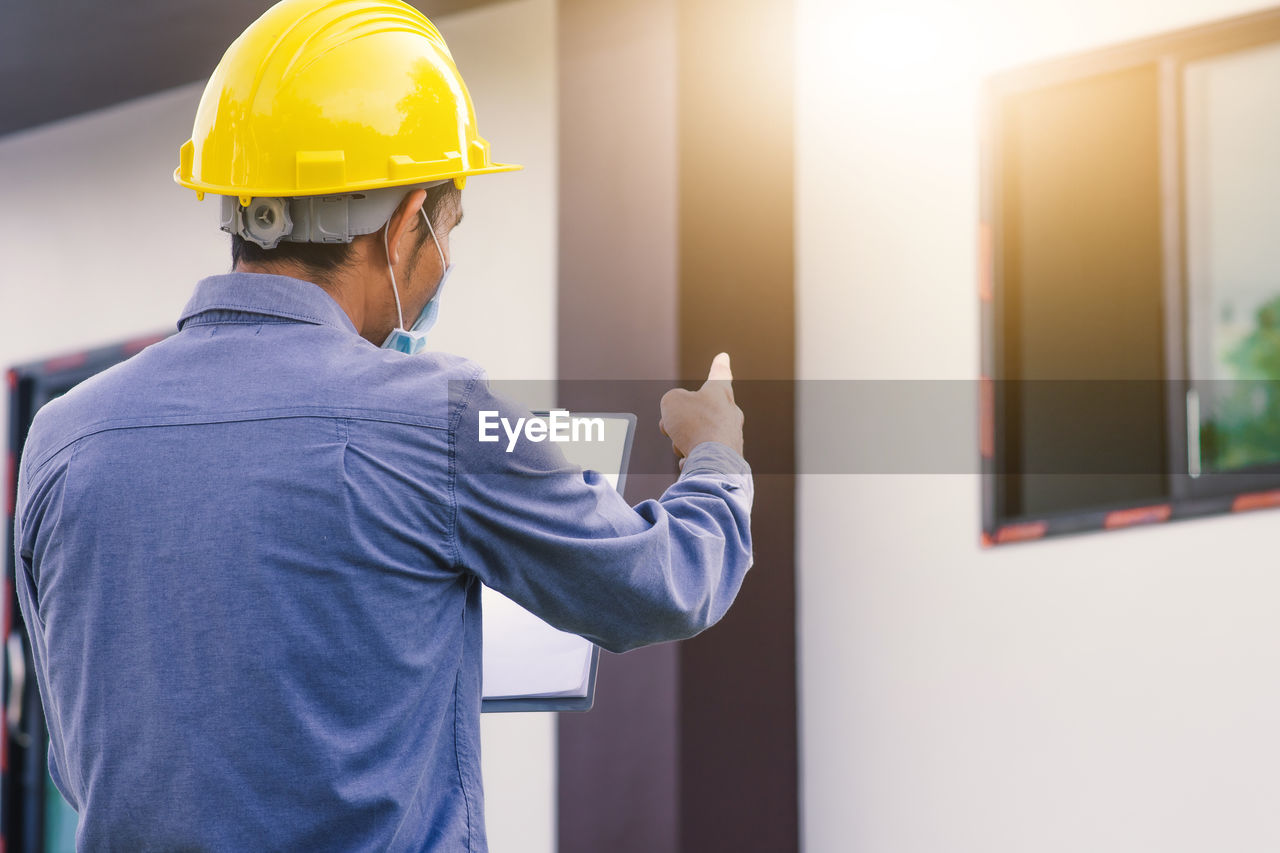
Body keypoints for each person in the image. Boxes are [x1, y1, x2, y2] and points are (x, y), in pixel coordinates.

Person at [12, 0, 753, 850]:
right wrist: (716, 458)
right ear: (408, 223)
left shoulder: (64, 438)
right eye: (451, 226)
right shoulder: (435, 418)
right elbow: (657, 584)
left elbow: (84, 759)